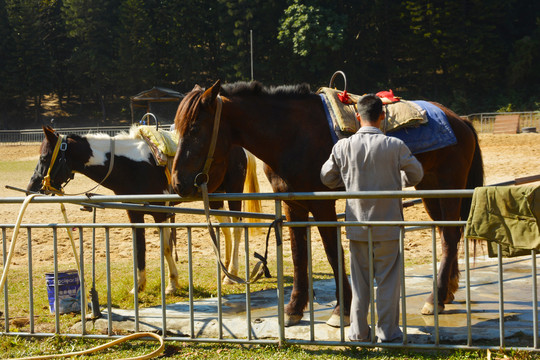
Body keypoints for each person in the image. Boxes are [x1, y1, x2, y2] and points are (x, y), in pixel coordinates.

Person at [320, 94, 424, 342]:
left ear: (357, 117)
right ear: (382, 117)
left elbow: (326, 177)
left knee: (359, 283)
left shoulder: (342, 146)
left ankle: (358, 333)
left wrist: (347, 181)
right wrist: (397, 182)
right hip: (388, 225)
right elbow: (417, 174)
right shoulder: (395, 145)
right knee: (388, 282)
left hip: (357, 226)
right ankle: (388, 334)